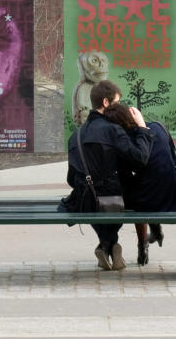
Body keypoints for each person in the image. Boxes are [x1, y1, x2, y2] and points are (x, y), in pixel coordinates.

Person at [63, 79, 153, 271]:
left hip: (84, 201)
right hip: (112, 200)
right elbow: (140, 158)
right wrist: (142, 128)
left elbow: (71, 178)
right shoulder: (113, 130)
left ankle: (107, 245)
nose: (119, 107)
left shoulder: (75, 135)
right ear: (105, 103)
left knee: (100, 198)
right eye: (117, 102)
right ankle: (109, 244)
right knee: (128, 194)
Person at [103, 102, 176, 266]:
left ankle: (141, 244)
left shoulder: (127, 141)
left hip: (149, 199)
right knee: (147, 185)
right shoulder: (158, 127)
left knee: (131, 196)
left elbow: (126, 176)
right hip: (174, 194)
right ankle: (154, 230)